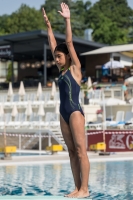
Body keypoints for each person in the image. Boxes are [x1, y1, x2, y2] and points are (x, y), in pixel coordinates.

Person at [42, 3, 90, 198]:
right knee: (71, 152)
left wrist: (67, 20)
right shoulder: (62, 72)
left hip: (75, 112)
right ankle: (77, 188)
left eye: (59, 57)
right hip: (63, 113)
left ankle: (85, 190)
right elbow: (54, 45)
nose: (56, 59)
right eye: (55, 57)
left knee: (80, 151)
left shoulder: (74, 69)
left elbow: (68, 43)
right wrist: (49, 27)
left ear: (68, 57)